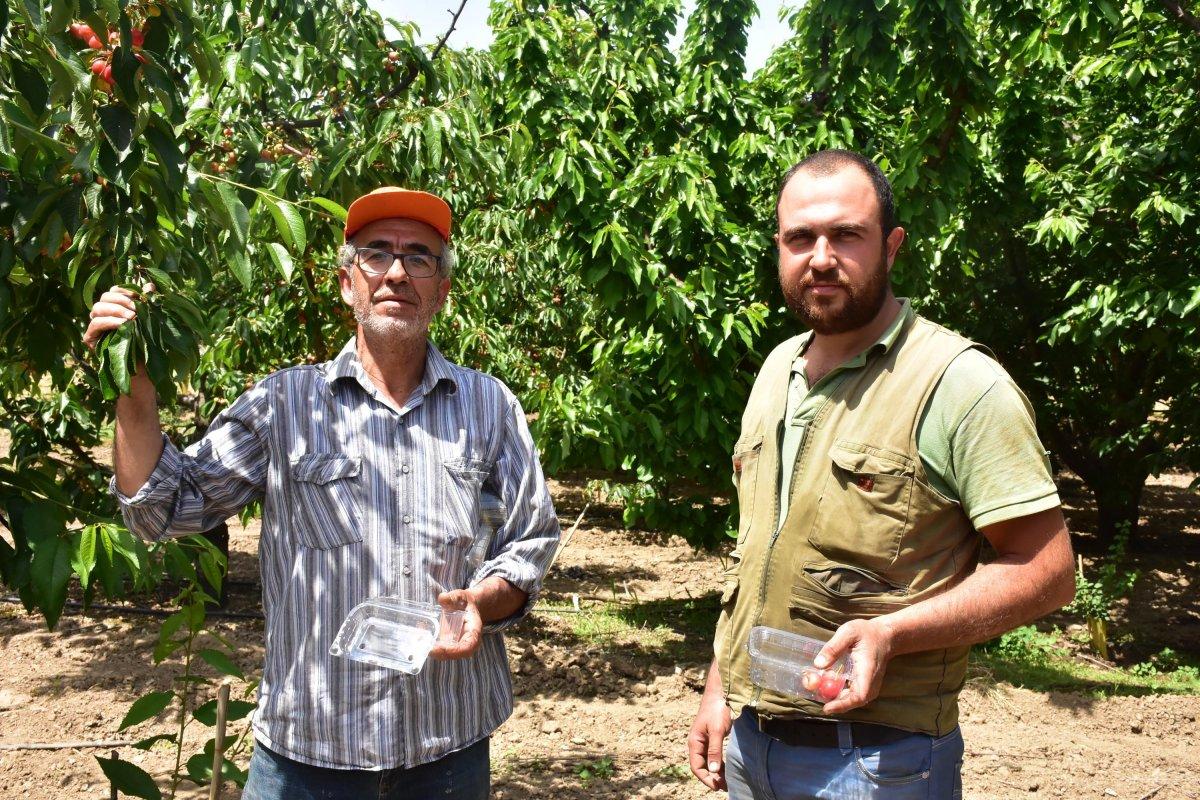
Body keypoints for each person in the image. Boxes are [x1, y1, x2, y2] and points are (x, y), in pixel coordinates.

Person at [84, 187, 560, 799]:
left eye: (419, 257)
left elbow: (532, 537)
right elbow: (164, 508)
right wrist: (134, 394)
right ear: (346, 282)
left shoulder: (489, 406)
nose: (396, 271)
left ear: (440, 291)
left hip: (448, 747)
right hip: (309, 756)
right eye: (375, 253)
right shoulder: (285, 405)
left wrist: (484, 601)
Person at [687, 150, 1076, 799]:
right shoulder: (777, 370)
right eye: (800, 238)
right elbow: (757, 557)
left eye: (846, 235)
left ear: (891, 247)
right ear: (778, 248)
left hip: (874, 766)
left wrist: (892, 633)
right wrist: (720, 688)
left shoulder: (958, 384)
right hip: (752, 748)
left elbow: (1047, 570)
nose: (820, 256)